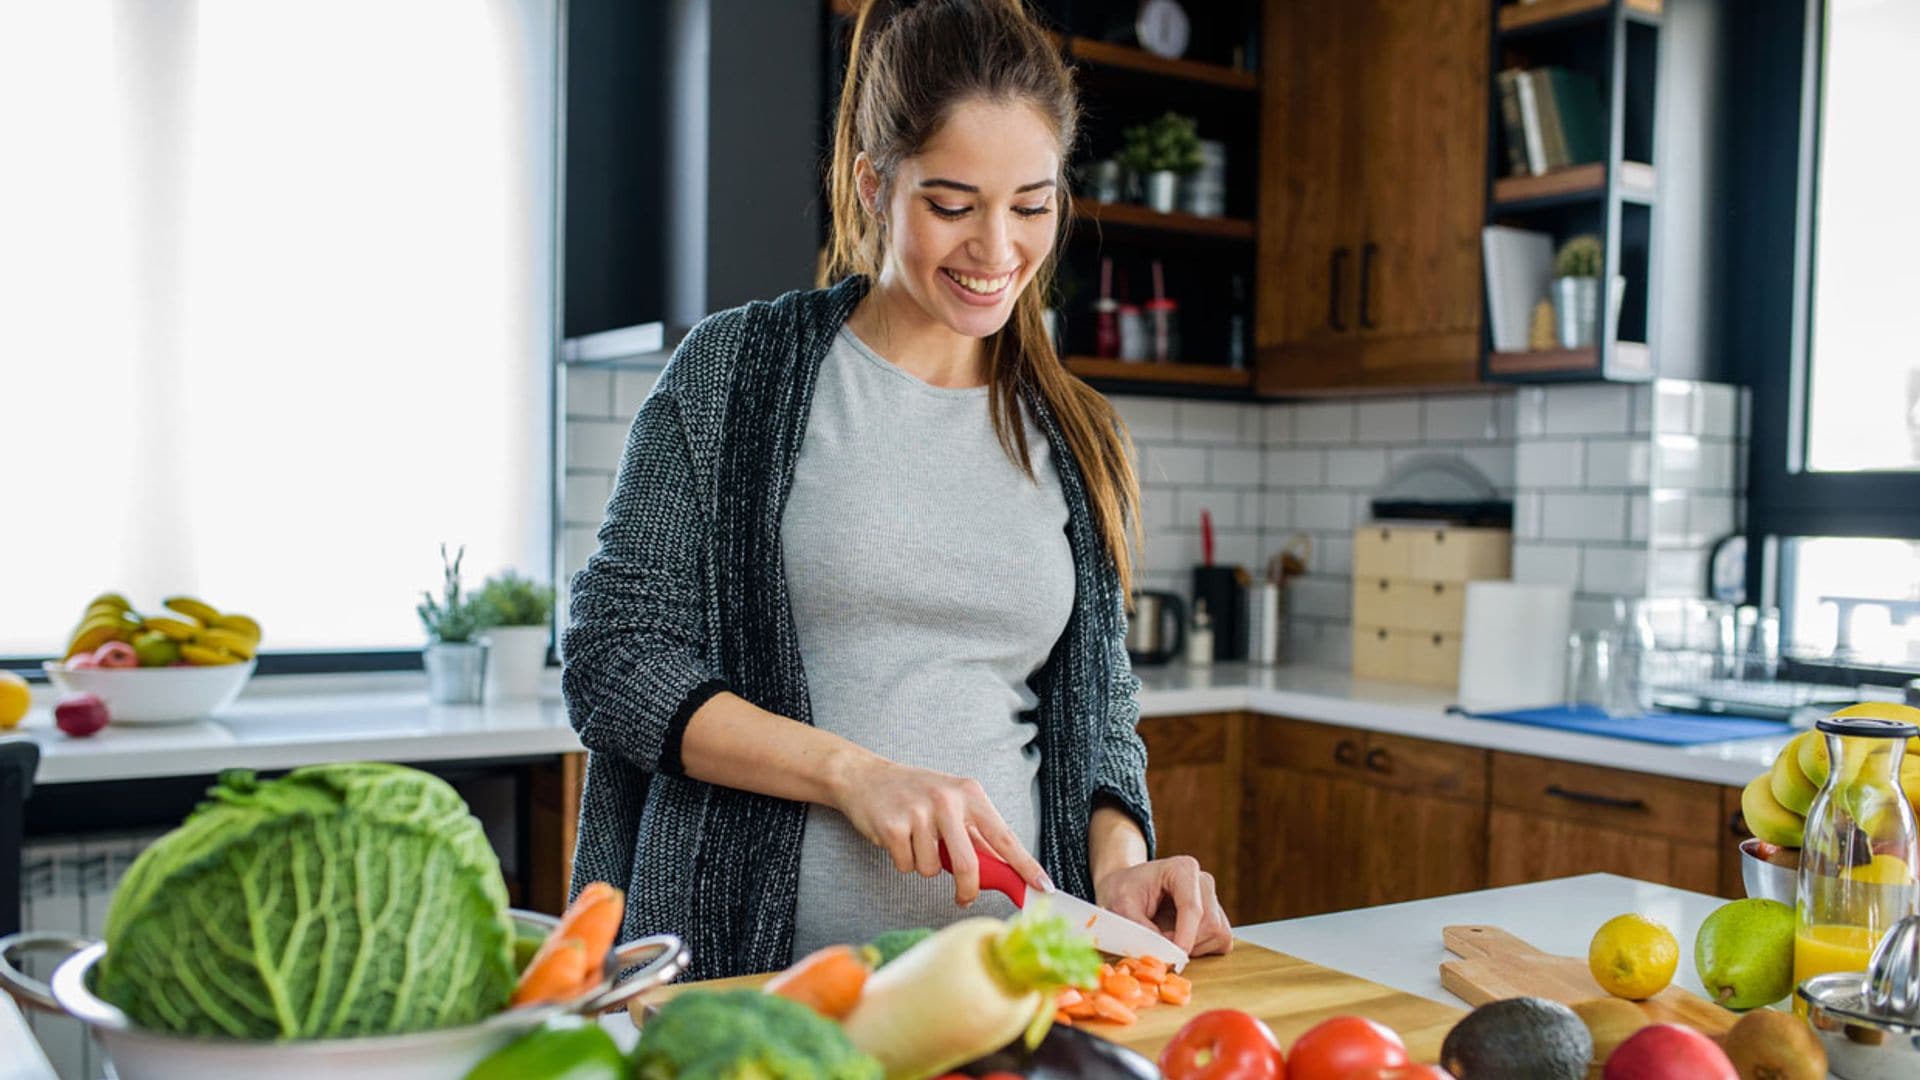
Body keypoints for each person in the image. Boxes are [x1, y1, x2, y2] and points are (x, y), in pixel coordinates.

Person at [562, 0, 1231, 980]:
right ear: (877, 186)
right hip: (756, 986)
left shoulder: (1076, 428)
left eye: (1032, 205)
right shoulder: (733, 376)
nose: (997, 249)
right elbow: (614, 661)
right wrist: (851, 774)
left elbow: (1097, 708)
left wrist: (1122, 866)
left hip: (1007, 993)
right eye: (953, 205)